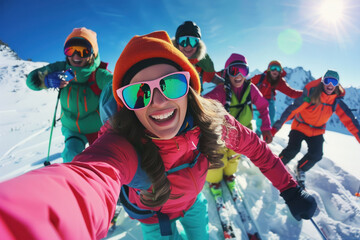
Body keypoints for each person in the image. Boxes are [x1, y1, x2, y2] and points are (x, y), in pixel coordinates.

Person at [0, 31, 317, 240]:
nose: (158, 100)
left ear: (190, 89)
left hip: (192, 204)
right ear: (125, 104)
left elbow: (257, 149)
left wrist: (290, 190)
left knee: (200, 235)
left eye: (172, 84)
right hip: (152, 218)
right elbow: (82, 182)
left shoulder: (211, 121)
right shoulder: (122, 140)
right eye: (139, 93)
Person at [26, 27, 113, 163]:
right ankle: (75, 182)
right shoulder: (61, 68)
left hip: (97, 128)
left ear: (93, 54)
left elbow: (117, 84)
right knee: (70, 156)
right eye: (70, 50)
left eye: (83, 50)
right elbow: (31, 81)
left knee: (101, 160)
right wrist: (45, 79)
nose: (76, 56)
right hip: (72, 129)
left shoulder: (98, 75)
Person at [272, 70, 360, 188]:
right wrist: (276, 127)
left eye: (334, 82)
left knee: (316, 154)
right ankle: (275, 167)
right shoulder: (311, 95)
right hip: (300, 126)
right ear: (323, 81)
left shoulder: (336, 102)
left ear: (337, 85)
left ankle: (301, 168)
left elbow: (350, 121)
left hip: (317, 131)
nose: (330, 85)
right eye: (327, 80)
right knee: (293, 149)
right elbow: (292, 110)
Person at [204, 53, 273, 199]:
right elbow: (204, 105)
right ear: (227, 72)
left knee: (234, 157)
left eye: (244, 71)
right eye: (234, 71)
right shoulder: (221, 91)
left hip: (242, 135)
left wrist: (266, 128)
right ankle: (214, 182)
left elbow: (263, 106)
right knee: (217, 158)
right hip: (221, 135)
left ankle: (229, 175)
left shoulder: (251, 89)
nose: (239, 75)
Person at [251, 60, 303, 137]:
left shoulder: (279, 82)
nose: (275, 70)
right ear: (269, 69)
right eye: (273, 68)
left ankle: (261, 134)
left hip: (269, 101)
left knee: (271, 121)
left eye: (278, 69)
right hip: (257, 100)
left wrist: (306, 93)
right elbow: (246, 84)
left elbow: (291, 93)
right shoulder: (260, 77)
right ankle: (258, 134)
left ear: (280, 71)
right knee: (261, 119)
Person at [173, 21, 224, 92]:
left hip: (195, 101)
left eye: (193, 41)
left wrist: (226, 84)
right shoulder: (170, 61)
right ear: (177, 43)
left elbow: (212, 78)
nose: (188, 46)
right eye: (183, 41)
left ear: (198, 44)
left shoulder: (201, 65)